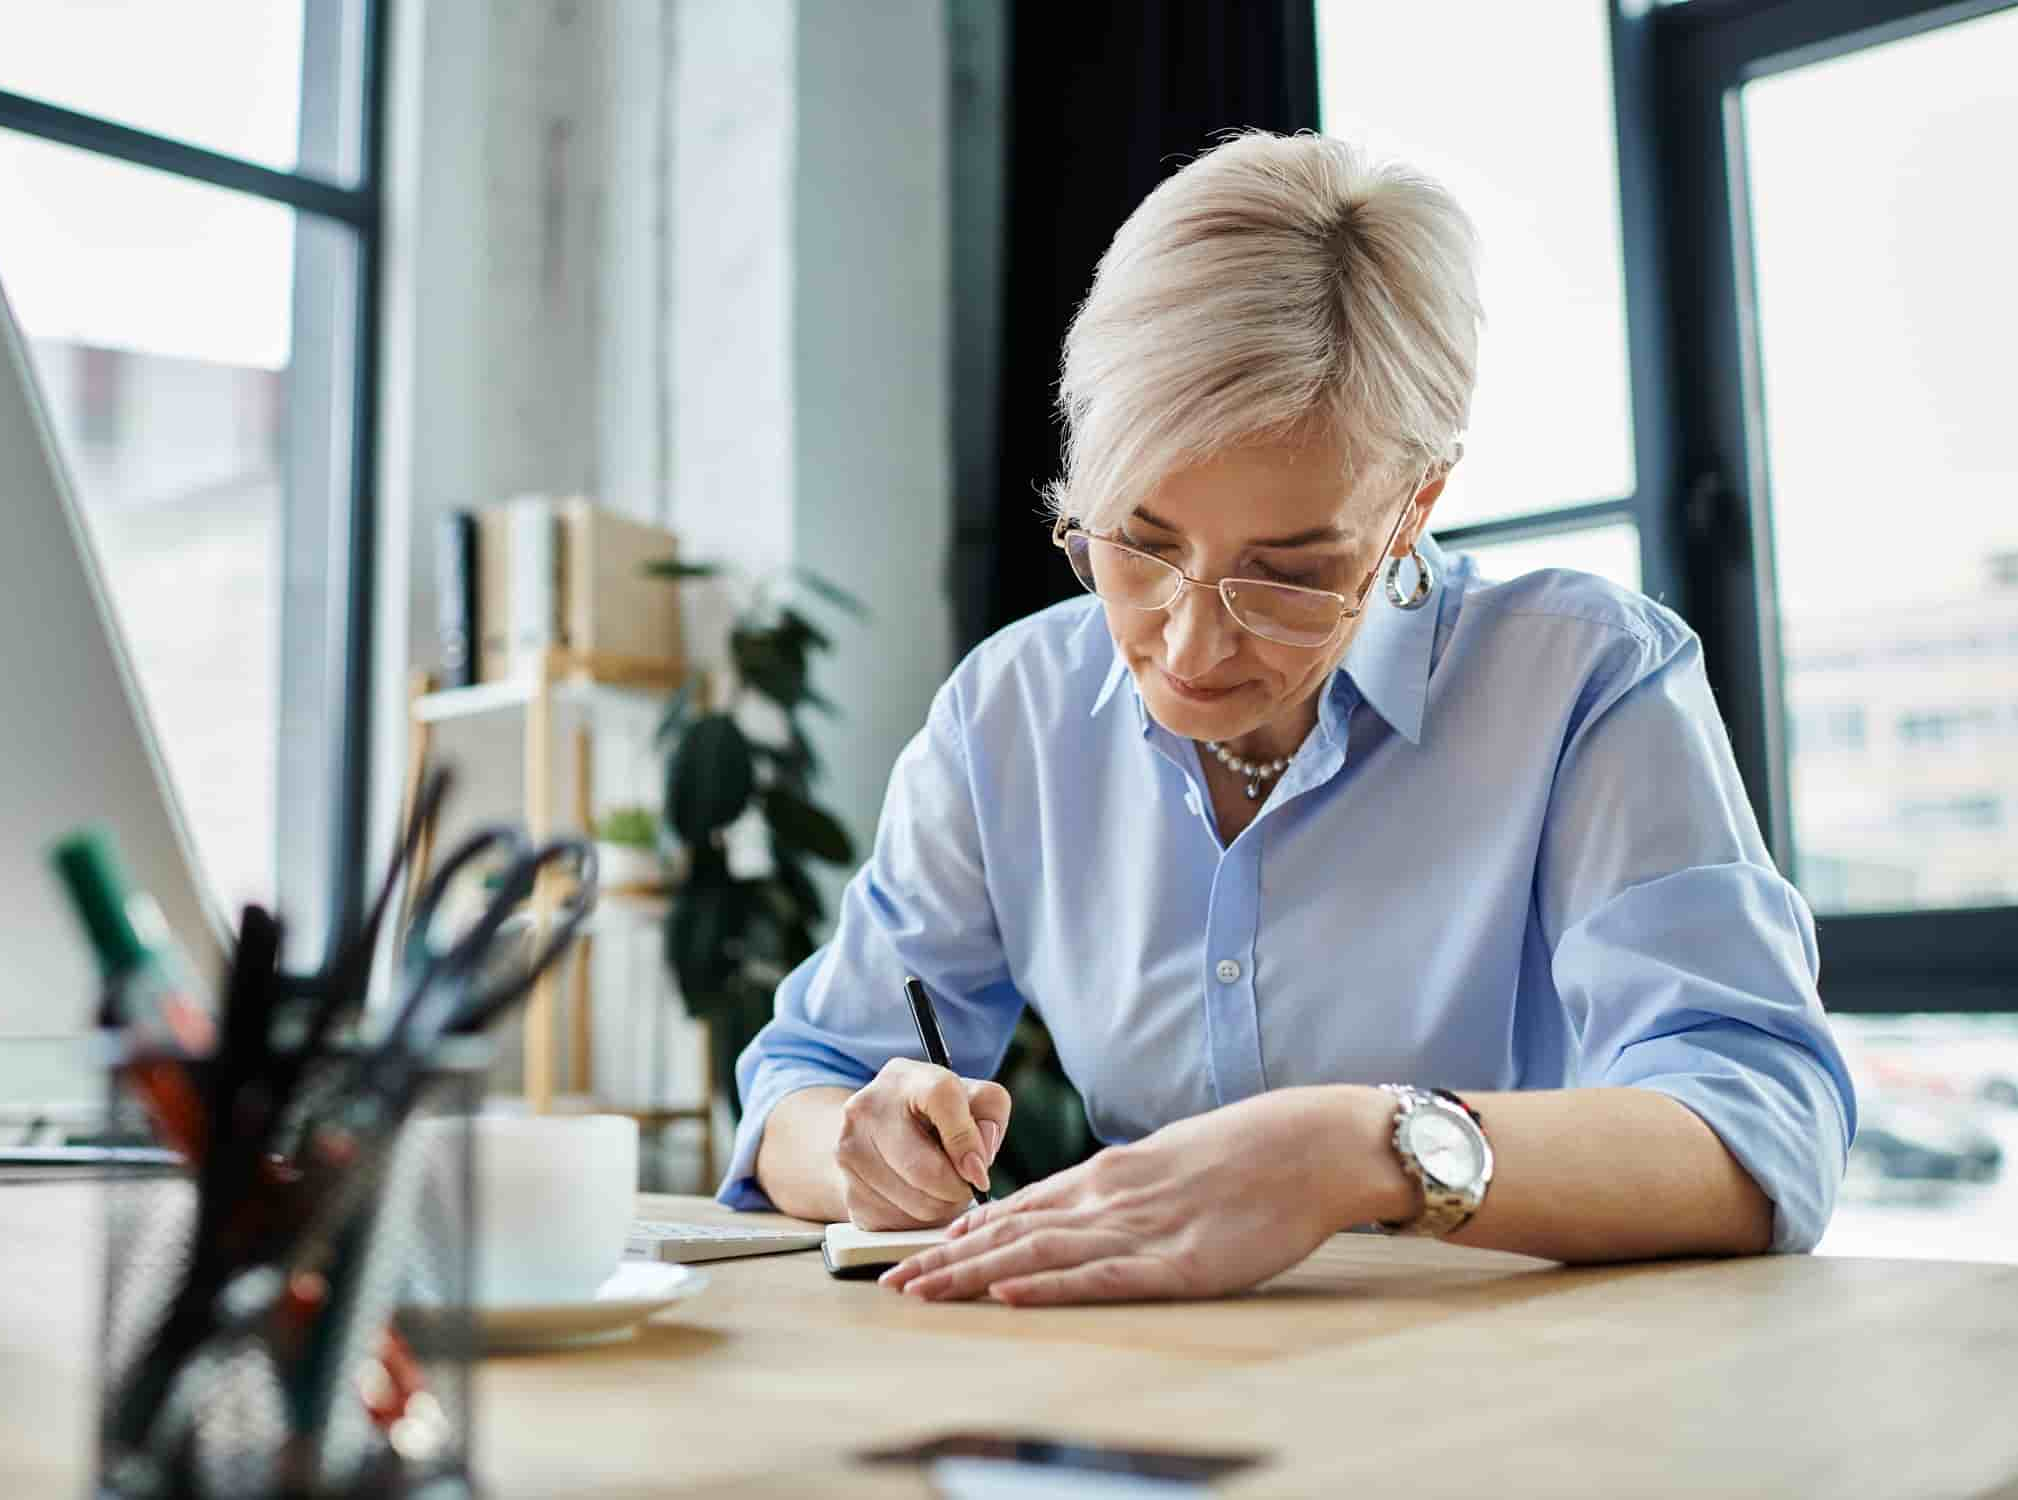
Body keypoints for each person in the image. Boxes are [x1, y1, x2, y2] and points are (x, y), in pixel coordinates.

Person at [716, 131, 1854, 1305]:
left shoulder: (1582, 680)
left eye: (1291, 575)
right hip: (1135, 1392)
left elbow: (1757, 1125)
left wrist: (1362, 1151)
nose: (1191, 643)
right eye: (1141, 543)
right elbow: (806, 1076)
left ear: (1415, 506)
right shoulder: (1011, 711)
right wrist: (866, 1146)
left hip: (1513, 1390)